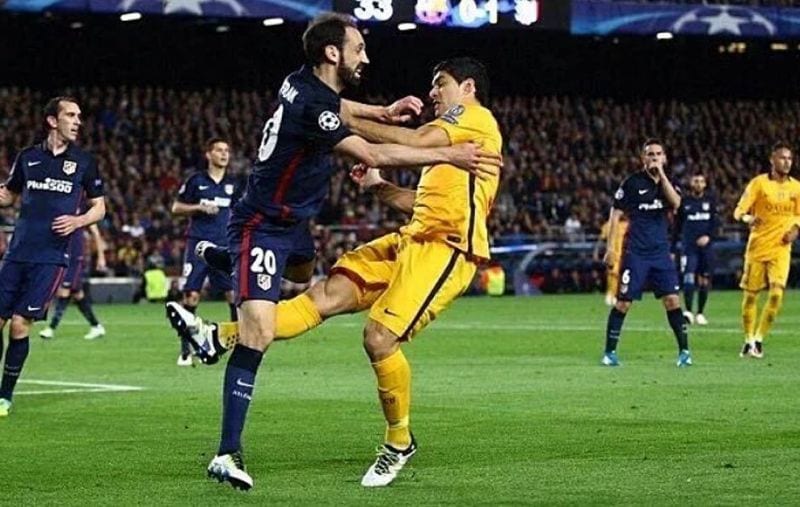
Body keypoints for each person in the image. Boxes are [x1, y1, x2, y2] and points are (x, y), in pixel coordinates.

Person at [175, 13, 499, 491]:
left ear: (467, 88)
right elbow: (421, 201)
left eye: (441, 84)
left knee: (378, 337)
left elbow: (412, 141)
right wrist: (381, 184)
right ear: (332, 52)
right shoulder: (442, 142)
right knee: (324, 293)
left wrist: (417, 139)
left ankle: (399, 442)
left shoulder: (474, 120)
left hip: (447, 249)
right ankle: (220, 334)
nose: (433, 92)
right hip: (413, 238)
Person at [0, 96, 106, 417]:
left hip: (50, 258)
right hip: (17, 253)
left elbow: (99, 208)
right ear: (52, 120)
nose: (77, 121)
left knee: (20, 325)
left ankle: (5, 396)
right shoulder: (28, 157)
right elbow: (9, 195)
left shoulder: (84, 162)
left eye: (79, 116)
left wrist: (78, 220)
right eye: (70, 115)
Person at [601, 139, 691, 367]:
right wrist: (610, 248)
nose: (654, 157)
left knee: (672, 301)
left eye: (658, 154)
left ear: (664, 158)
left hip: (661, 254)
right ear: (643, 158)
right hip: (636, 254)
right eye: (650, 154)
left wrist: (662, 176)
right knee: (623, 303)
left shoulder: (669, 183)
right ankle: (609, 353)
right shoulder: (632, 183)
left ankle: (684, 352)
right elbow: (615, 214)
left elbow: (677, 203)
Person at [171, 138, 241, 366]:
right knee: (191, 295)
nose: (224, 154)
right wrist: (198, 207)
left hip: (224, 246)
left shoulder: (234, 184)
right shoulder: (196, 181)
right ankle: (185, 351)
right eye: (219, 150)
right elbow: (176, 207)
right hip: (198, 245)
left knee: (233, 295)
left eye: (227, 150)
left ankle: (239, 345)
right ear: (208, 154)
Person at [732, 142, 800, 359]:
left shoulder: (796, 187)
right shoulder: (758, 184)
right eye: (782, 158)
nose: (786, 162)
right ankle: (748, 340)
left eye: (789, 158)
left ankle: (759, 339)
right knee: (751, 296)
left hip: (781, 249)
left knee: (777, 294)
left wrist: (796, 230)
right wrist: (749, 218)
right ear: (772, 160)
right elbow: (738, 211)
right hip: (758, 248)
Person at [38, 223, 106, 340]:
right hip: (63, 256)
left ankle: (51, 328)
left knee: (64, 291)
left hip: (75, 259)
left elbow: (95, 232)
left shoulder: (83, 212)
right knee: (77, 294)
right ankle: (96, 326)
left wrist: (101, 256)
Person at [673, 172, 717, 326]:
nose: (698, 184)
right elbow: (677, 226)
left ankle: (700, 313)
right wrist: (672, 248)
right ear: (691, 183)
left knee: (704, 279)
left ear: (705, 184)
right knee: (689, 277)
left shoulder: (710, 201)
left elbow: (715, 223)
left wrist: (708, 236)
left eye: (701, 181)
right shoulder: (684, 202)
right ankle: (688, 312)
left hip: (706, 248)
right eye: (695, 181)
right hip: (689, 247)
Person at [593, 213, 629, 306]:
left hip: (624, 255)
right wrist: (596, 252)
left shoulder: (627, 225)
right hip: (613, 255)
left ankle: (619, 295)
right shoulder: (608, 225)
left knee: (622, 275)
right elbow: (601, 240)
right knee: (612, 274)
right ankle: (611, 294)